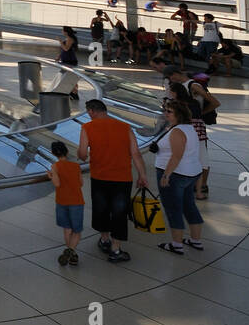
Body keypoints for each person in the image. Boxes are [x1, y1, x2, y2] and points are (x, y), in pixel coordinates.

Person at [77, 99, 147, 263]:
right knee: (119, 212)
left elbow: (82, 154)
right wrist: (142, 175)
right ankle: (115, 249)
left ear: (92, 112)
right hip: (122, 178)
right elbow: (135, 153)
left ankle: (104, 239)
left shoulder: (87, 127)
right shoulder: (125, 127)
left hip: (99, 177)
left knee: (101, 209)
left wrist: (81, 152)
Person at [154, 100, 205, 254]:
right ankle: (195, 240)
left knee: (173, 208)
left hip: (176, 174)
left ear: (178, 115)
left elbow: (177, 156)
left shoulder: (177, 131)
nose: (165, 113)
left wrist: (166, 175)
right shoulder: (188, 128)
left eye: (169, 111)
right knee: (189, 206)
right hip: (191, 173)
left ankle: (176, 244)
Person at [48, 141, 83, 266]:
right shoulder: (76, 166)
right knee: (77, 230)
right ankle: (71, 251)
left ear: (52, 153)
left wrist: (51, 176)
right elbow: (80, 183)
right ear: (67, 151)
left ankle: (71, 253)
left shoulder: (55, 167)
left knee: (67, 228)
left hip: (62, 201)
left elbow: (57, 184)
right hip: (77, 201)